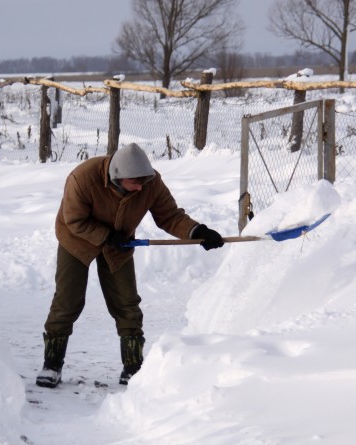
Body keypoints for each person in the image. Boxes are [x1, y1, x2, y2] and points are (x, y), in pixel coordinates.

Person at [36, 142, 224, 388]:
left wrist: (196, 231)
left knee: (126, 302)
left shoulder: (150, 182)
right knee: (67, 301)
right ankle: (52, 364)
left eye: (144, 181)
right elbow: (74, 220)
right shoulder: (83, 178)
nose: (140, 187)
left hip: (120, 243)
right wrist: (106, 236)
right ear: (117, 177)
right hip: (77, 240)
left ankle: (133, 367)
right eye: (134, 182)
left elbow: (169, 215)